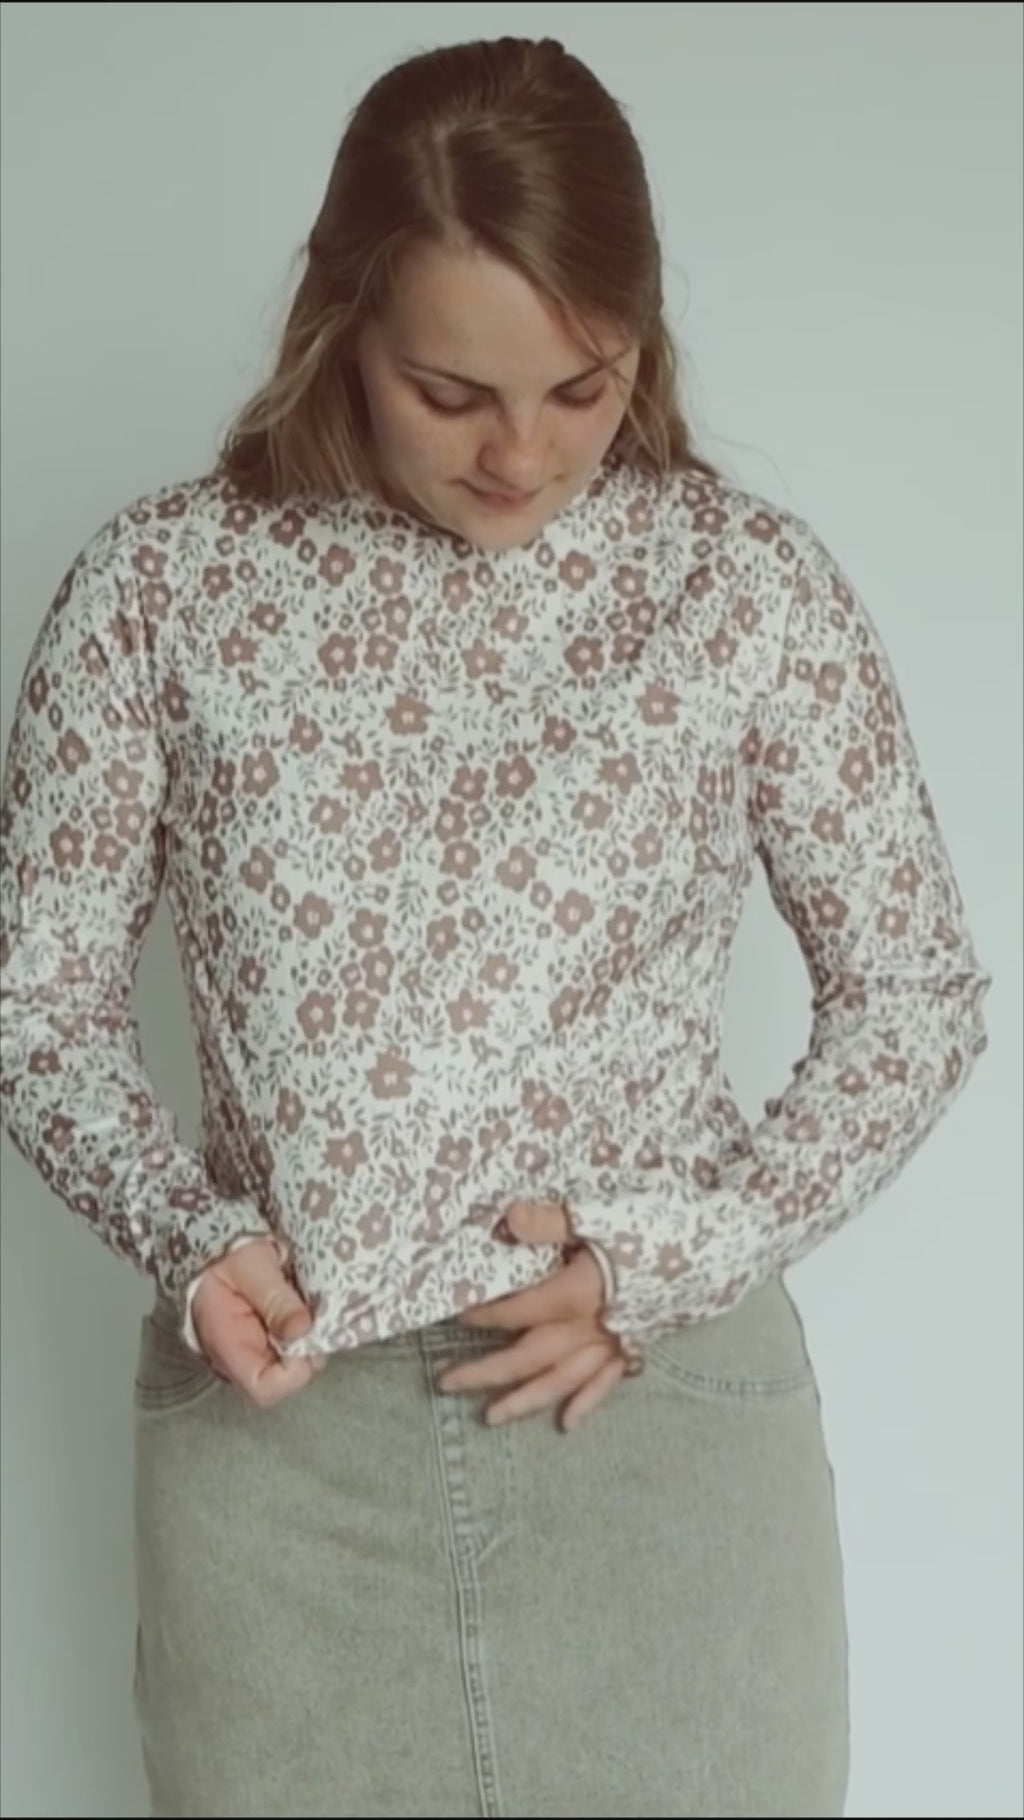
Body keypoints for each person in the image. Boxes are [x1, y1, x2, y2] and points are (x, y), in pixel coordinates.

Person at [0, 32, 991, 1820]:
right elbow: (36, 1004)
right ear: (341, 324)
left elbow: (918, 991)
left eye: (583, 388)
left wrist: (674, 1255)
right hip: (286, 1459)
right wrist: (184, 1231)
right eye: (448, 390)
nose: (524, 453)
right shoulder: (164, 589)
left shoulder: (742, 587)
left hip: (652, 1416)